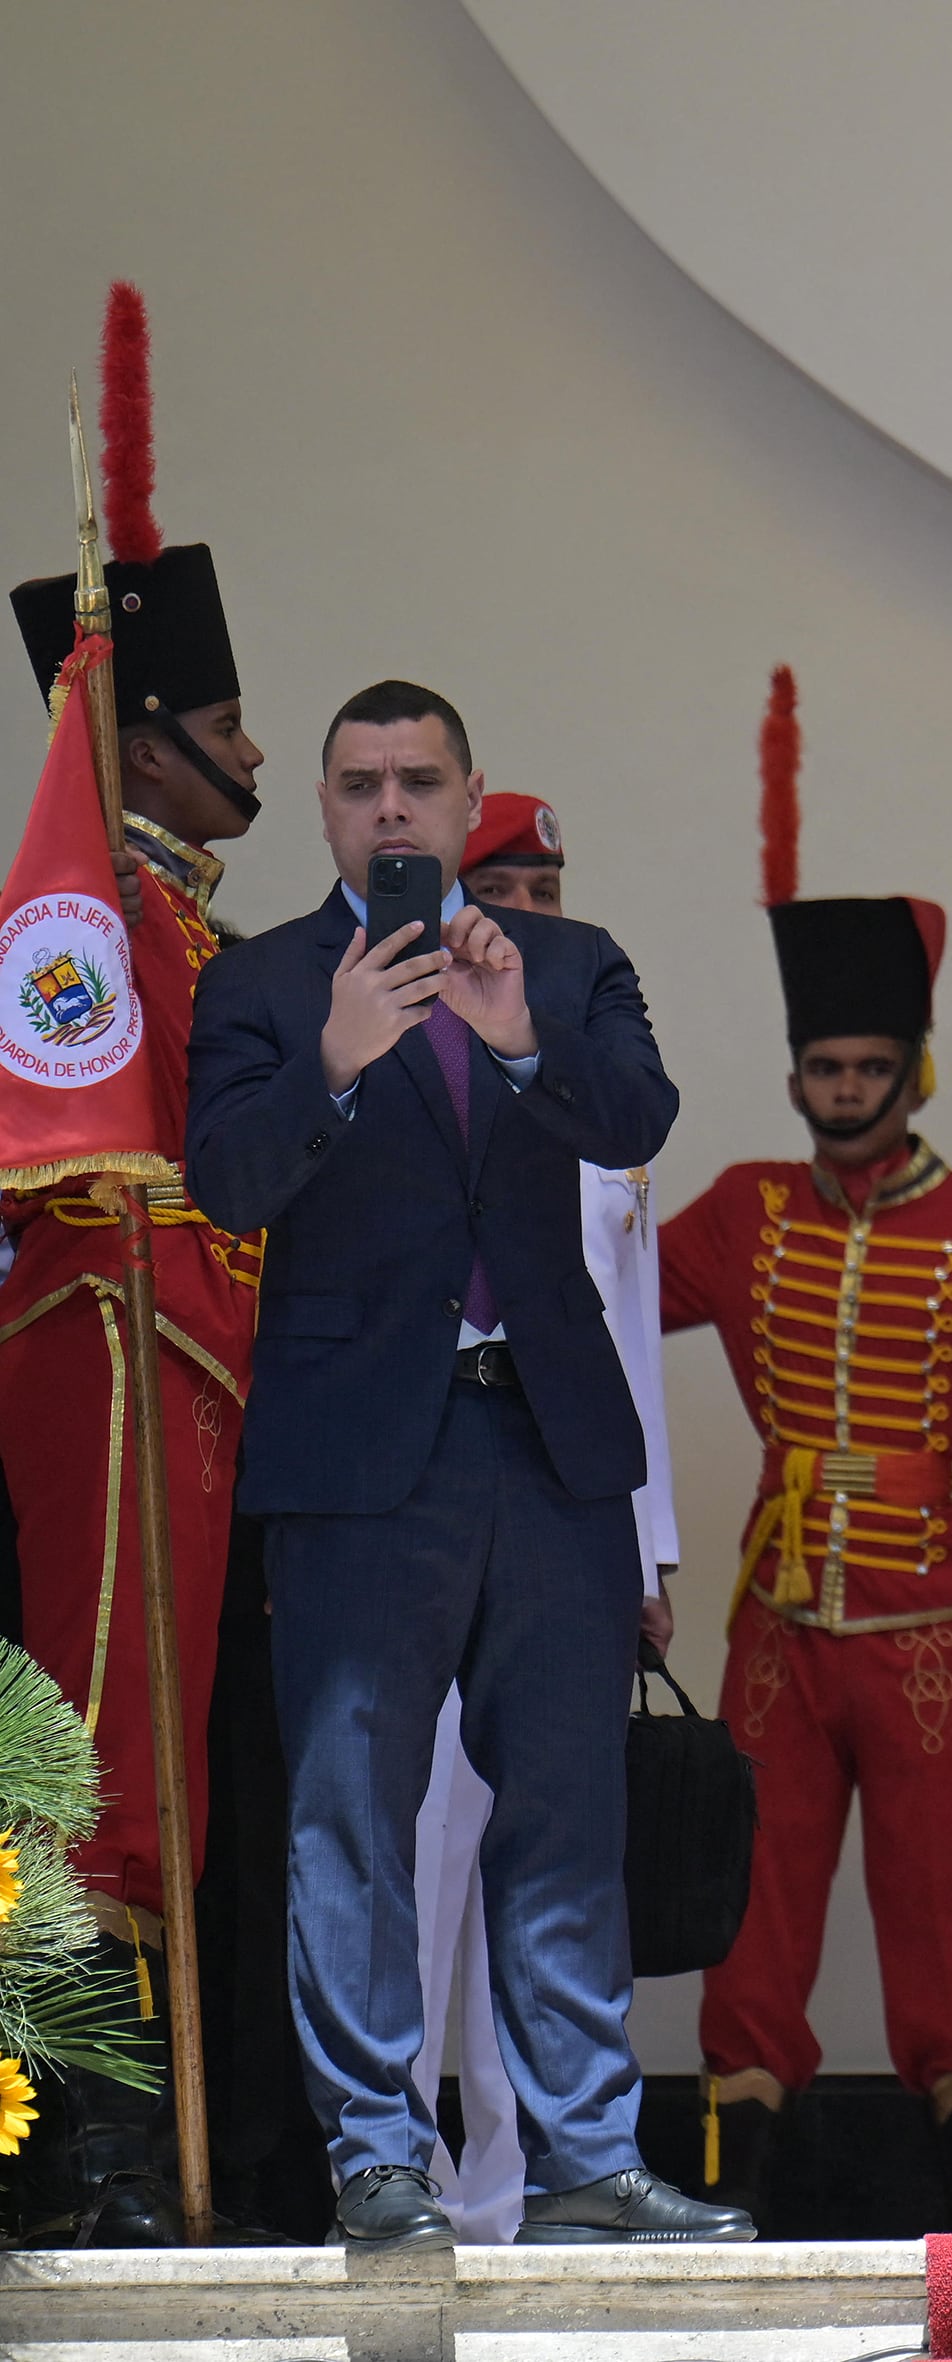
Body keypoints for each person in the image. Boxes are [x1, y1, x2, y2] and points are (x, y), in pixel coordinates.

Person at [183, 679, 742, 2250]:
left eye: (419, 780)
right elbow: (225, 1181)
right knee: (352, 1810)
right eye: (360, 782)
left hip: (548, 1442)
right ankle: (378, 2153)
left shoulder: (565, 962)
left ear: (466, 789)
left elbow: (640, 1110)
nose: (391, 809)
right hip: (362, 1459)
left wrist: (512, 1043)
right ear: (323, 804)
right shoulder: (264, 981)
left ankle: (582, 2159)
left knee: (566, 1808)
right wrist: (339, 1062)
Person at [658, 684, 952, 2234]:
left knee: (948, 1914)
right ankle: (735, 2174)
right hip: (776, 1614)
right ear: (793, 1074)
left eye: (867, 1064)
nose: (843, 1088)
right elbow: (612, 1301)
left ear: (914, 1065)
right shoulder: (743, 1208)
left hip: (927, 1629)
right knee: (754, 1913)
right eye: (821, 1067)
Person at [2, 325, 268, 2243]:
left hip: (187, 1360)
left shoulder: (192, 917)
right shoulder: (103, 921)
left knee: (160, 1761)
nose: (252, 749)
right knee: (96, 1752)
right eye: (228, 719)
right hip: (108, 1348)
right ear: (145, 737)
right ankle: (91, 2140)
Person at [402, 792, 681, 2244]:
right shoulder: (419, 1044)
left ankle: (535, 2179)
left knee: (553, 1860)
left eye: (551, 882)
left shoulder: (594, 1078)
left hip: (572, 1512)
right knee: (422, 1849)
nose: (535, 905)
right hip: (429, 1503)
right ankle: (411, 2175)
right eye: (507, 880)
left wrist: (651, 1545)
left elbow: (625, 1339)